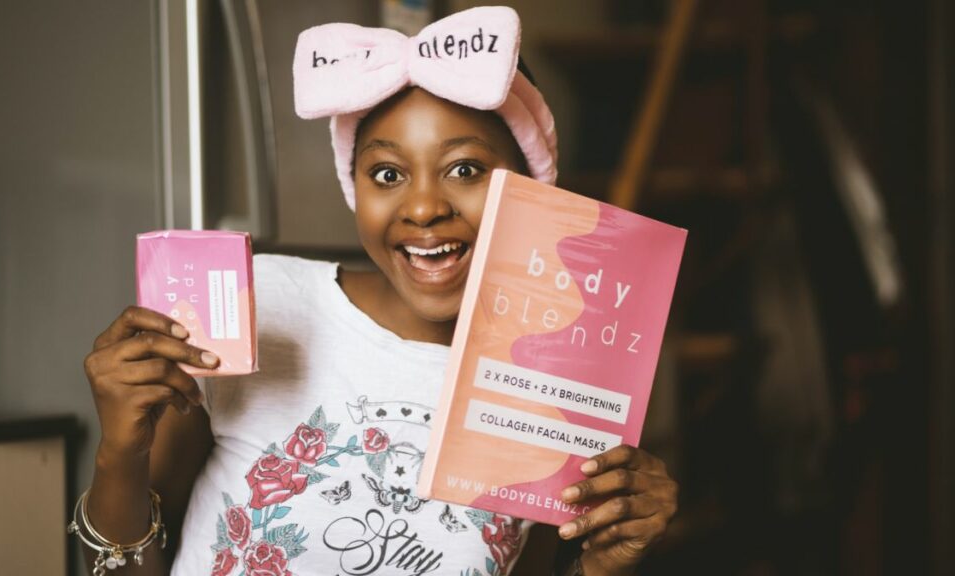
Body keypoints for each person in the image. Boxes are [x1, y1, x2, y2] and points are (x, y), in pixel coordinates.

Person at [76, 6, 677, 576]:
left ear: (531, 189)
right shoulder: (262, 302)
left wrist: (603, 564)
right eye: (387, 174)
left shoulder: (565, 378)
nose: (422, 207)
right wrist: (118, 454)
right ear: (355, 187)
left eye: (464, 168)